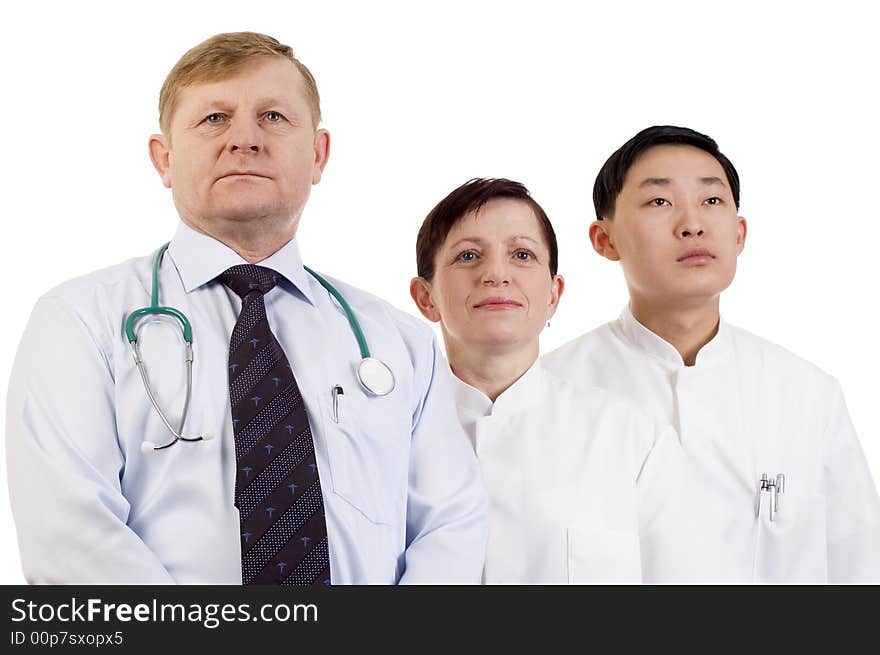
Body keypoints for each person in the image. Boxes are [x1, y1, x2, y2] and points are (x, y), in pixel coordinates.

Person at [5, 32, 487, 584]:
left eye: (274, 117)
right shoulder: (79, 321)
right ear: (164, 159)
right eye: (214, 118)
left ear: (318, 154)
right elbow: (69, 536)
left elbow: (451, 524)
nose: (245, 140)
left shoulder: (399, 341)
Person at [542, 125, 880, 582]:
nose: (692, 223)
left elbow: (858, 569)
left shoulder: (808, 395)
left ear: (739, 234)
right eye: (659, 202)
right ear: (605, 240)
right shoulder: (548, 392)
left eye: (712, 201)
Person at [409, 178, 696, 583]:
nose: (495, 273)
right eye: (468, 255)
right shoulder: (387, 436)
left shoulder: (631, 437)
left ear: (553, 295)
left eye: (522, 254)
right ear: (426, 298)